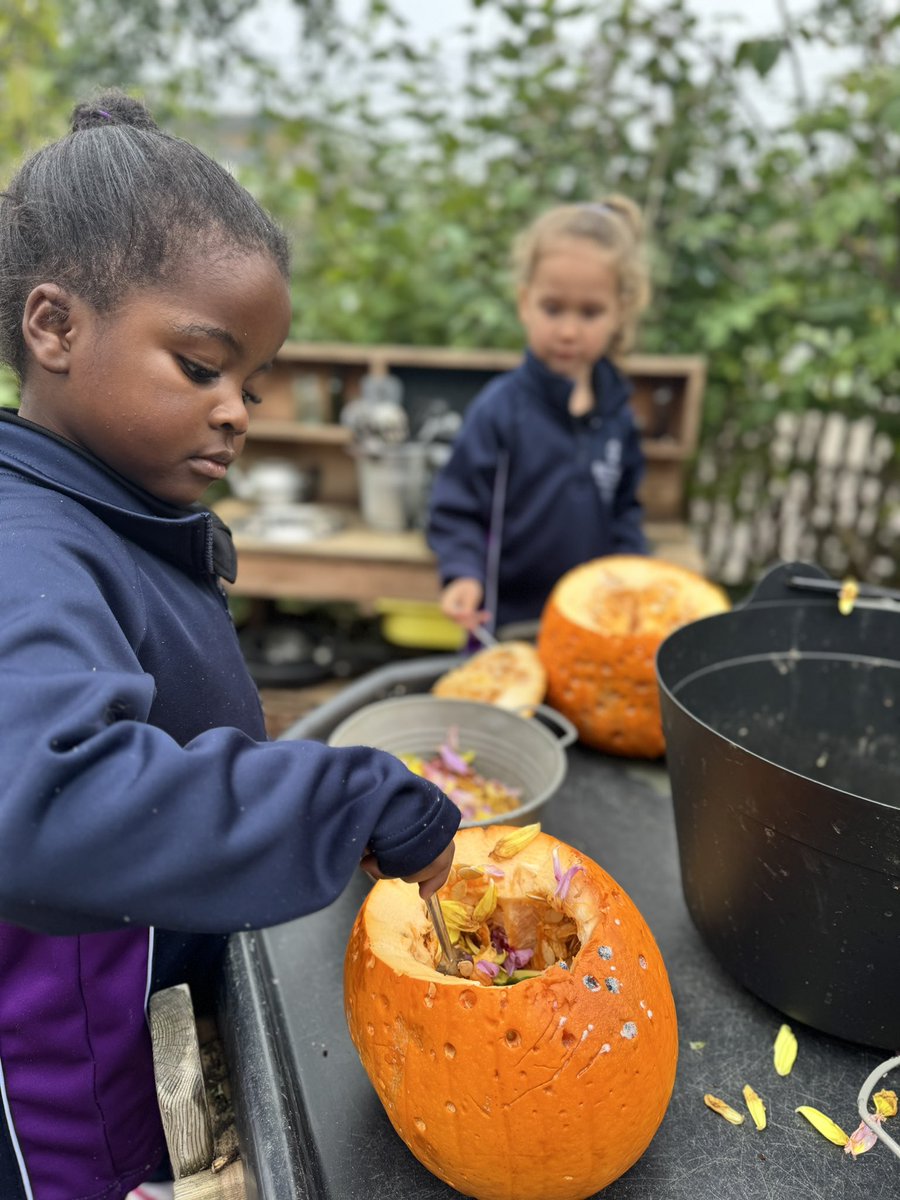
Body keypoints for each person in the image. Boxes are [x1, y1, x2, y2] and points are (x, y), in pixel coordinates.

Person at [0, 90, 460, 1200]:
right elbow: (44, 804)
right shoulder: (28, 549)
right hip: (79, 1095)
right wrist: (345, 801)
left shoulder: (107, 506)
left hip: (149, 1000)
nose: (240, 410)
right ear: (55, 327)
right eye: (202, 368)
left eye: (252, 382)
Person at [427, 196, 652, 635]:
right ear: (525, 303)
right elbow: (455, 507)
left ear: (619, 314)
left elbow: (626, 510)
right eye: (553, 308)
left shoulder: (617, 415)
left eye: (590, 312)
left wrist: (634, 576)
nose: (568, 330)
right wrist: (462, 573)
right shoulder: (500, 409)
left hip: (594, 622)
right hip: (504, 622)